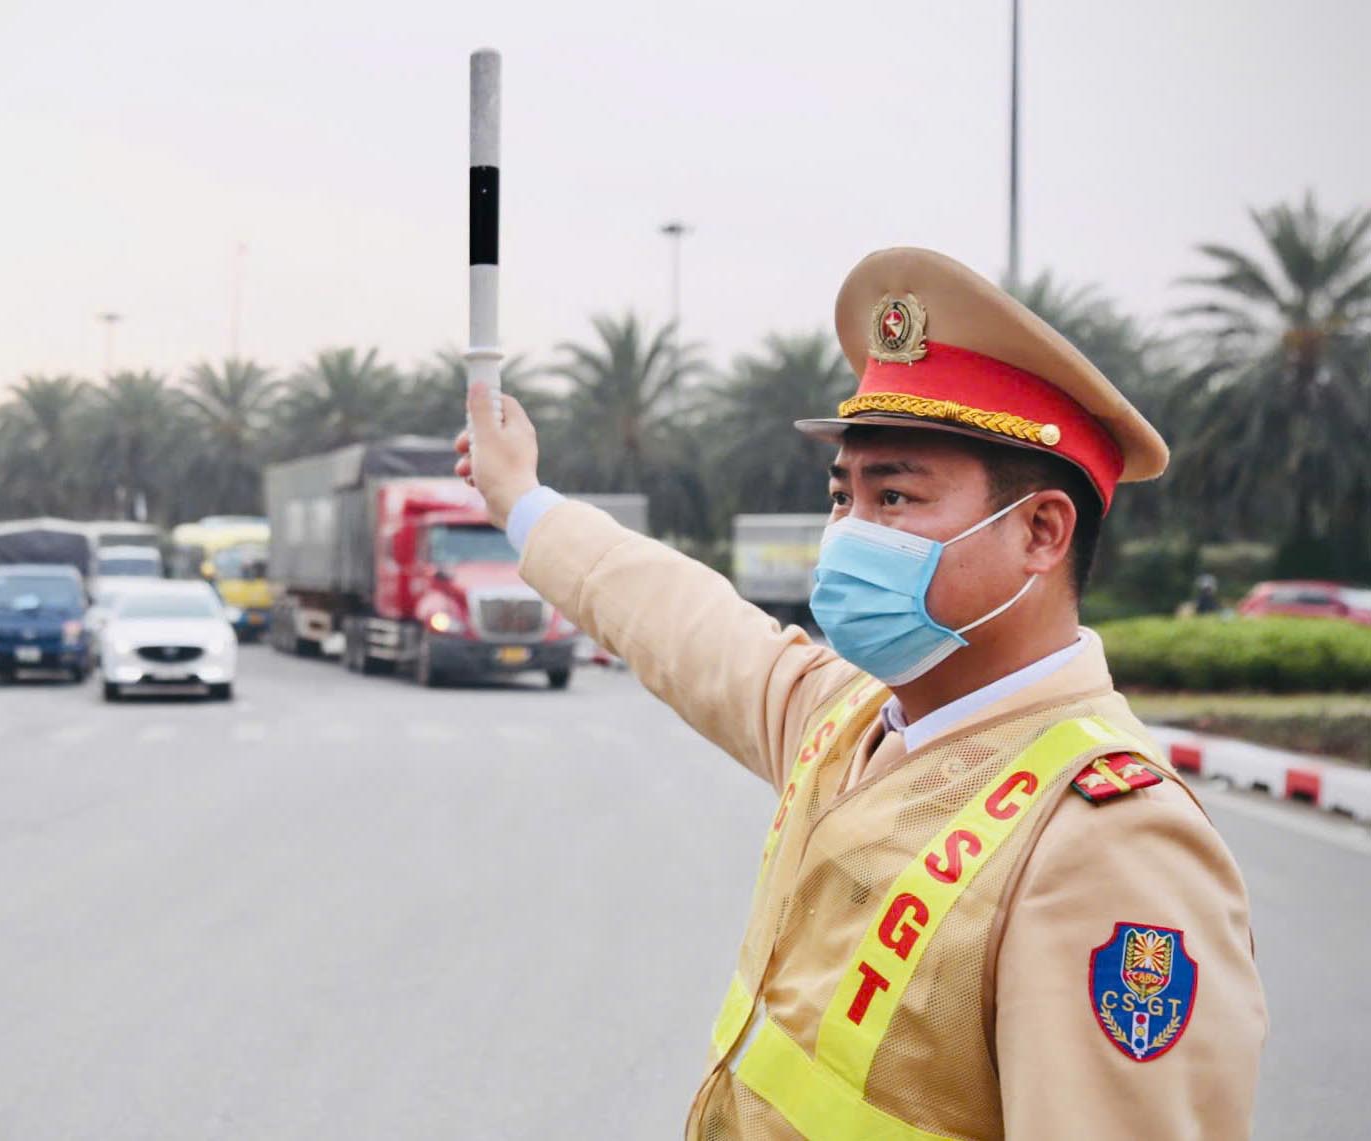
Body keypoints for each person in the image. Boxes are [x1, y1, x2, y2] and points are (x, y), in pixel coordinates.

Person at [455, 248, 1264, 1140]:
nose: (846, 534)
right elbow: (682, 623)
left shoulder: (1109, 840)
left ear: (1040, 530)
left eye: (894, 497)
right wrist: (520, 498)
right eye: (842, 496)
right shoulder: (854, 716)